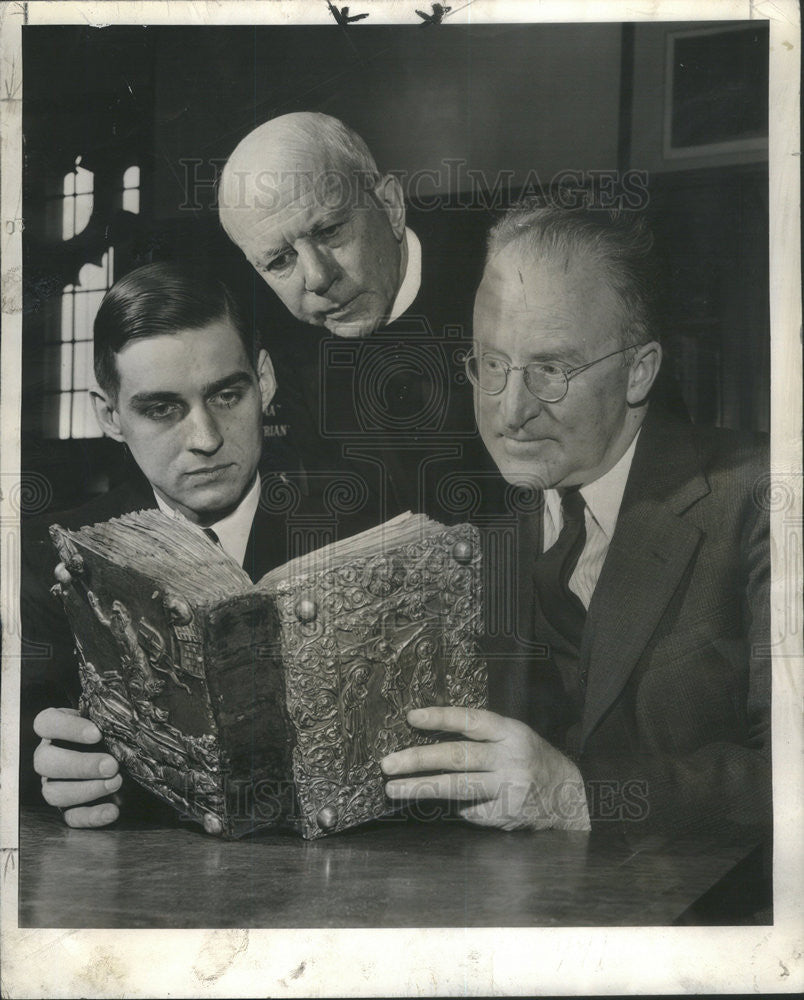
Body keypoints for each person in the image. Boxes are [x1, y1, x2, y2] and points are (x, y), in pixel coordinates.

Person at [379, 204, 770, 841]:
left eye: (551, 370)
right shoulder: (468, 535)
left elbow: (789, 776)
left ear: (639, 371)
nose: (510, 412)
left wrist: (576, 796)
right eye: (492, 364)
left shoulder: (763, 499)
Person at [23, 263, 290, 828]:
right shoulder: (43, 556)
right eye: (162, 409)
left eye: (226, 394)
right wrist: (40, 763)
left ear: (263, 381)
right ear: (110, 416)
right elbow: (22, 724)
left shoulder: (363, 526)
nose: (206, 439)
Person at [218, 111, 496, 525]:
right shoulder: (275, 364)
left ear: (391, 206)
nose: (317, 278)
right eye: (279, 261)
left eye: (329, 231)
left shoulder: (501, 283)